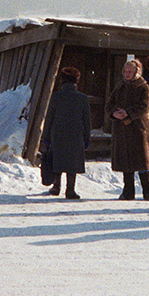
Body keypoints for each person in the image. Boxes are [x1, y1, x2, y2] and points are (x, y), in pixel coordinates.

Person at [106, 58, 149, 201]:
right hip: (121, 129)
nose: (127, 74)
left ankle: (148, 191)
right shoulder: (120, 86)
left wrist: (128, 113)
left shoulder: (143, 87)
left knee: (141, 159)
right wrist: (114, 113)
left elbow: (145, 106)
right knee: (125, 160)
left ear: (136, 72)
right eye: (126, 71)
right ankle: (128, 191)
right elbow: (109, 104)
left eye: (130, 71)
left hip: (138, 129)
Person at [39, 66, 92, 199]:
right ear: (77, 80)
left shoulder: (56, 97)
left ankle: (56, 187)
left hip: (57, 134)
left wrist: (45, 138)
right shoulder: (83, 98)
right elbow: (87, 121)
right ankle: (70, 190)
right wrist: (86, 138)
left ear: (62, 80)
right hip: (76, 135)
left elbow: (49, 119)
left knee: (57, 160)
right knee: (72, 163)